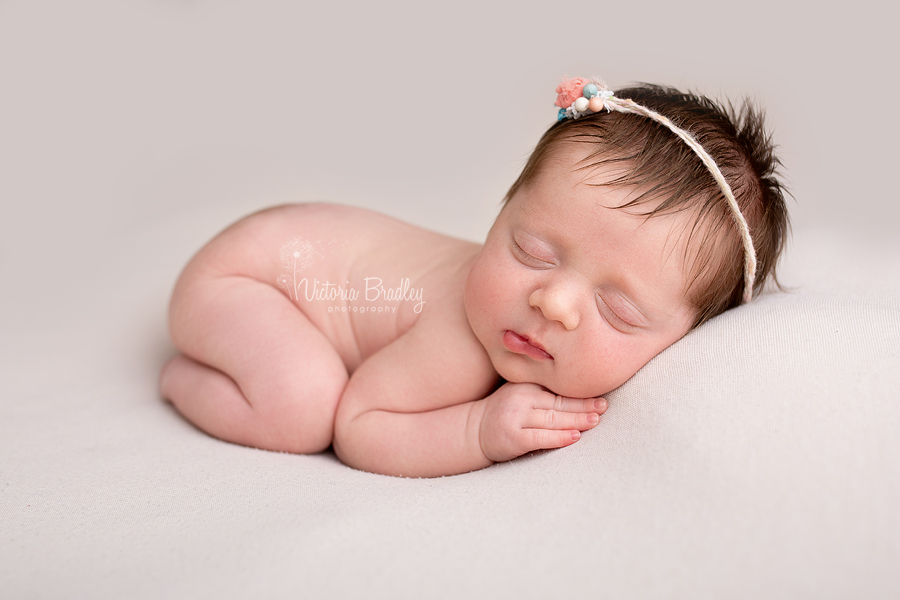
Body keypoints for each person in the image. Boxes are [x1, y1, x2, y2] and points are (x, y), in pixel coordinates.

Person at [158, 76, 789, 478]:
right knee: (303, 409)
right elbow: (359, 425)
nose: (554, 302)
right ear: (501, 212)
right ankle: (179, 377)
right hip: (245, 280)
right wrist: (477, 431)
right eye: (532, 250)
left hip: (281, 251)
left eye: (619, 311)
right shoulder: (461, 337)